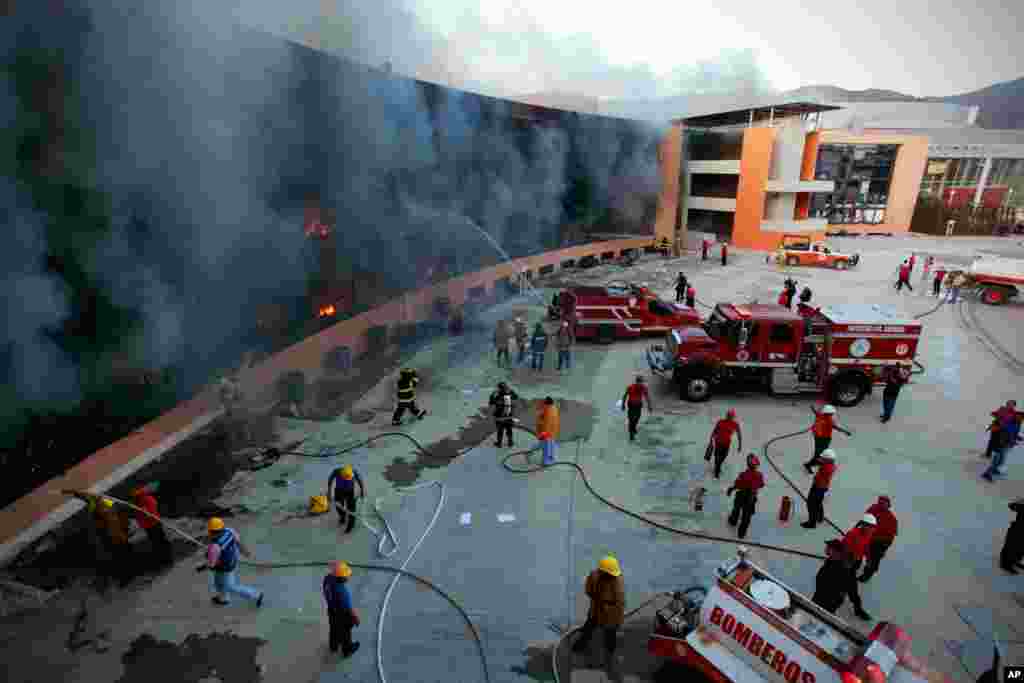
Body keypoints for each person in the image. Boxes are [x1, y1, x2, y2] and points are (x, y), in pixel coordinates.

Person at [572, 555, 626, 668]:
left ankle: (609, 655)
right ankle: (580, 645)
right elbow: (588, 590)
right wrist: (598, 600)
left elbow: (619, 603)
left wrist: (608, 608)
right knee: (589, 627)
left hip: (611, 615)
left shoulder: (617, 581)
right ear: (603, 571)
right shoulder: (594, 576)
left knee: (610, 635)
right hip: (596, 610)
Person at [72, 493, 135, 588]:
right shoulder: (104, 503)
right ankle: (126, 575)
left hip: (113, 536)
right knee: (121, 556)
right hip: (115, 535)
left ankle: (125, 576)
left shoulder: (98, 506)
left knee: (119, 558)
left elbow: (99, 517)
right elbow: (115, 507)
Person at [199, 517, 263, 607]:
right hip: (232, 559)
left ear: (211, 532)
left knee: (230, 587)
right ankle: (223, 599)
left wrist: (202, 566)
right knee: (218, 582)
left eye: (209, 532)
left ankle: (256, 595)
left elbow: (212, 564)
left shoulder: (215, 547)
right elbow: (238, 542)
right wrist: (245, 552)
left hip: (226, 567)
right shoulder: (229, 531)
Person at [839, 515, 875, 620]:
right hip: (847, 563)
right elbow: (843, 547)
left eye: (872, 527)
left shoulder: (869, 535)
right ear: (863, 525)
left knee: (848, 584)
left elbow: (866, 547)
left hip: (855, 562)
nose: (871, 529)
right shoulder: (852, 534)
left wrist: (868, 559)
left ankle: (845, 595)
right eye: (869, 526)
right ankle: (857, 609)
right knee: (852, 587)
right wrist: (846, 560)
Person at [323, 560, 361, 657]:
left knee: (334, 629)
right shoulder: (342, 591)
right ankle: (347, 649)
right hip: (342, 614)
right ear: (342, 578)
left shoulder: (327, 579)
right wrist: (355, 618)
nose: (348, 576)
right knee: (346, 633)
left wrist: (336, 565)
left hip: (332, 611)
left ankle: (333, 646)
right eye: (346, 576)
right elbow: (349, 608)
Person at [131, 486, 173, 567]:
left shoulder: (146, 500)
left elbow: (150, 513)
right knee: (158, 543)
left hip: (153, 525)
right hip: (149, 526)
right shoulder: (139, 502)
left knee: (160, 542)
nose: (134, 498)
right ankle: (165, 560)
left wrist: (145, 512)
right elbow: (140, 516)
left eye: (135, 496)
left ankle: (167, 560)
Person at [859, 497, 898, 582]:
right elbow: (865, 519)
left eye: (884, 503)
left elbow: (891, 536)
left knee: (873, 560)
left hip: (879, 542)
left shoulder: (891, 519)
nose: (881, 504)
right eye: (880, 502)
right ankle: (857, 565)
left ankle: (867, 574)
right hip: (867, 536)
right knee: (860, 551)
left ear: (888, 505)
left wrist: (884, 547)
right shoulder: (873, 508)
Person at [727, 454, 765, 539]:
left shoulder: (743, 475)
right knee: (746, 516)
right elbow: (761, 485)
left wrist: (731, 489)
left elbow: (737, 484)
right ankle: (741, 533)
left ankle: (733, 521)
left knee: (736, 509)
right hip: (751, 498)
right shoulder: (759, 475)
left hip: (741, 496)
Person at [813, 540, 854, 615]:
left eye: (829, 547)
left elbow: (842, 590)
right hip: (819, 597)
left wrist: (831, 604)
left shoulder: (841, 568)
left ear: (836, 551)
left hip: (826, 603)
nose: (826, 549)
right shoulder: (831, 560)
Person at [801, 449, 837, 529]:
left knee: (811, 504)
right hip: (822, 487)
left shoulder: (826, 467)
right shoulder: (830, 465)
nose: (822, 459)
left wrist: (820, 463)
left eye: (824, 458)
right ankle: (820, 517)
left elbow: (822, 470)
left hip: (818, 486)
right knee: (818, 502)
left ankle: (812, 523)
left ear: (828, 459)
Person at [803, 405, 843, 473]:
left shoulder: (820, 415)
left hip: (818, 437)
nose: (833, 414)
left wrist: (812, 408)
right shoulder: (829, 420)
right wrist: (845, 431)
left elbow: (816, 413)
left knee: (820, 451)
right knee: (820, 452)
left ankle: (817, 461)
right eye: (832, 413)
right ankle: (809, 465)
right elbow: (835, 427)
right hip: (824, 439)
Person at [328, 465, 366, 534]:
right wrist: (329, 492)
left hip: (350, 491)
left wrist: (362, 490)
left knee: (351, 509)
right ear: (342, 475)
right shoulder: (336, 471)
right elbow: (330, 480)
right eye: (346, 478)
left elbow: (360, 480)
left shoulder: (354, 472)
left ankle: (350, 525)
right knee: (338, 507)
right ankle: (342, 517)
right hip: (339, 490)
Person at [707, 409, 742, 479]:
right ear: (726, 415)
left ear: (733, 417)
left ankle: (717, 466)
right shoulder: (720, 422)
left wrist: (740, 445)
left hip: (726, 443)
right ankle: (717, 471)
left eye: (731, 416)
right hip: (718, 442)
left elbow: (739, 435)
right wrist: (711, 439)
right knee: (717, 456)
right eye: (728, 415)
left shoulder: (735, 424)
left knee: (723, 456)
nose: (729, 417)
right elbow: (715, 431)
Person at [622, 376, 654, 442]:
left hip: (638, 405)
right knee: (631, 418)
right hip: (631, 404)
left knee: (637, 417)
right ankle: (631, 433)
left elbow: (647, 396)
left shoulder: (643, 387)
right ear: (637, 382)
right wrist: (623, 405)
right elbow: (625, 395)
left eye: (641, 382)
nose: (640, 383)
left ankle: (633, 428)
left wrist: (649, 406)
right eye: (639, 382)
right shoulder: (630, 387)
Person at [998, 499, 1024, 574]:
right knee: (1012, 544)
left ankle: (1015, 561)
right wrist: (1019, 506)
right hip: (1018, 528)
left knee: (1021, 546)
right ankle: (1005, 564)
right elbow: (1012, 505)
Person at [490, 381, 519, 448]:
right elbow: (516, 397)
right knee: (509, 430)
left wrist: (492, 395)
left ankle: (499, 443)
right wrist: (511, 391)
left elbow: (491, 403)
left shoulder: (498, 396)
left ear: (499, 388)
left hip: (500, 417)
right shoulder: (511, 393)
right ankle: (510, 442)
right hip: (509, 416)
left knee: (500, 431)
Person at [537, 397, 560, 465]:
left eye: (544, 403)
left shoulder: (548, 411)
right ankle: (552, 458)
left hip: (547, 433)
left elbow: (547, 424)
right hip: (553, 432)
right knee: (552, 445)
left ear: (547, 404)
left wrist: (542, 433)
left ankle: (545, 462)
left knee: (545, 448)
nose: (543, 405)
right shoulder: (554, 408)